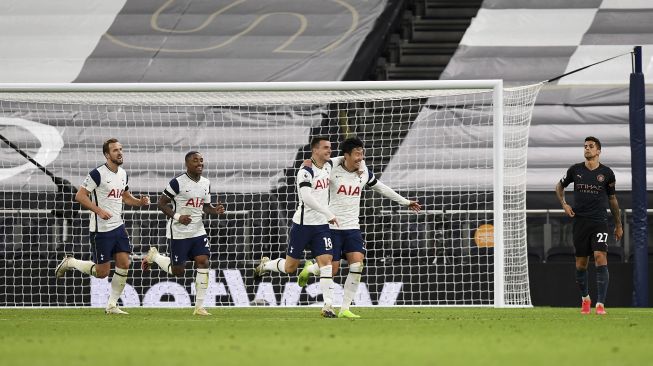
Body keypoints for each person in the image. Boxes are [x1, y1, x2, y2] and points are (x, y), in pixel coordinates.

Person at [298, 137, 421, 318]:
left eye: (362, 153)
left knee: (357, 264)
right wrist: (308, 163)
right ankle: (311, 270)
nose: (360, 157)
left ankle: (345, 308)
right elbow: (315, 164)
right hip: (331, 226)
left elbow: (382, 188)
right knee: (332, 269)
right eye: (357, 154)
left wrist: (405, 202)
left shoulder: (363, 173)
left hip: (352, 228)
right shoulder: (331, 168)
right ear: (345, 155)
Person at [55, 138, 150, 314]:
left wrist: (140, 202)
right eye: (115, 150)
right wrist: (98, 211)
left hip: (118, 227)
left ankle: (112, 305)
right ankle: (71, 262)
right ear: (107, 154)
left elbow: (125, 197)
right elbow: (80, 196)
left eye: (121, 149)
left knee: (124, 263)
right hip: (101, 230)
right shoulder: (97, 174)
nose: (120, 152)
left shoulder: (123, 174)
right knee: (102, 272)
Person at [254, 136, 339, 318]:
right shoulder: (305, 170)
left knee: (327, 264)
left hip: (321, 226)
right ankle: (266, 265)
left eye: (330, 148)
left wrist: (357, 160)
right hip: (302, 226)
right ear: (315, 150)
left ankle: (328, 306)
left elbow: (343, 159)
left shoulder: (329, 165)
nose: (329, 151)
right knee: (290, 268)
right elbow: (307, 197)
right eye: (325, 148)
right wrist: (328, 213)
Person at [141, 151, 224, 316]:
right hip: (178, 232)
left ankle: (199, 307)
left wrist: (215, 210)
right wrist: (178, 216)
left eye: (201, 160)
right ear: (187, 164)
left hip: (198, 230)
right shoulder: (177, 182)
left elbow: (205, 207)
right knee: (179, 271)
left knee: (203, 261)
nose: (199, 163)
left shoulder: (206, 183)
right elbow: (162, 203)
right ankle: (155, 256)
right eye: (195, 161)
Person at [555, 136, 623, 315]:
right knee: (581, 264)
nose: (587, 149)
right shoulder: (575, 170)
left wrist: (618, 224)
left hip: (599, 222)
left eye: (591, 146)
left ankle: (600, 304)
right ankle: (585, 299)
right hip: (580, 222)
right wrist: (564, 204)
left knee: (600, 256)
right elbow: (559, 187)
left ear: (598, 151)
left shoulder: (607, 173)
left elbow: (613, 199)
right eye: (585, 146)